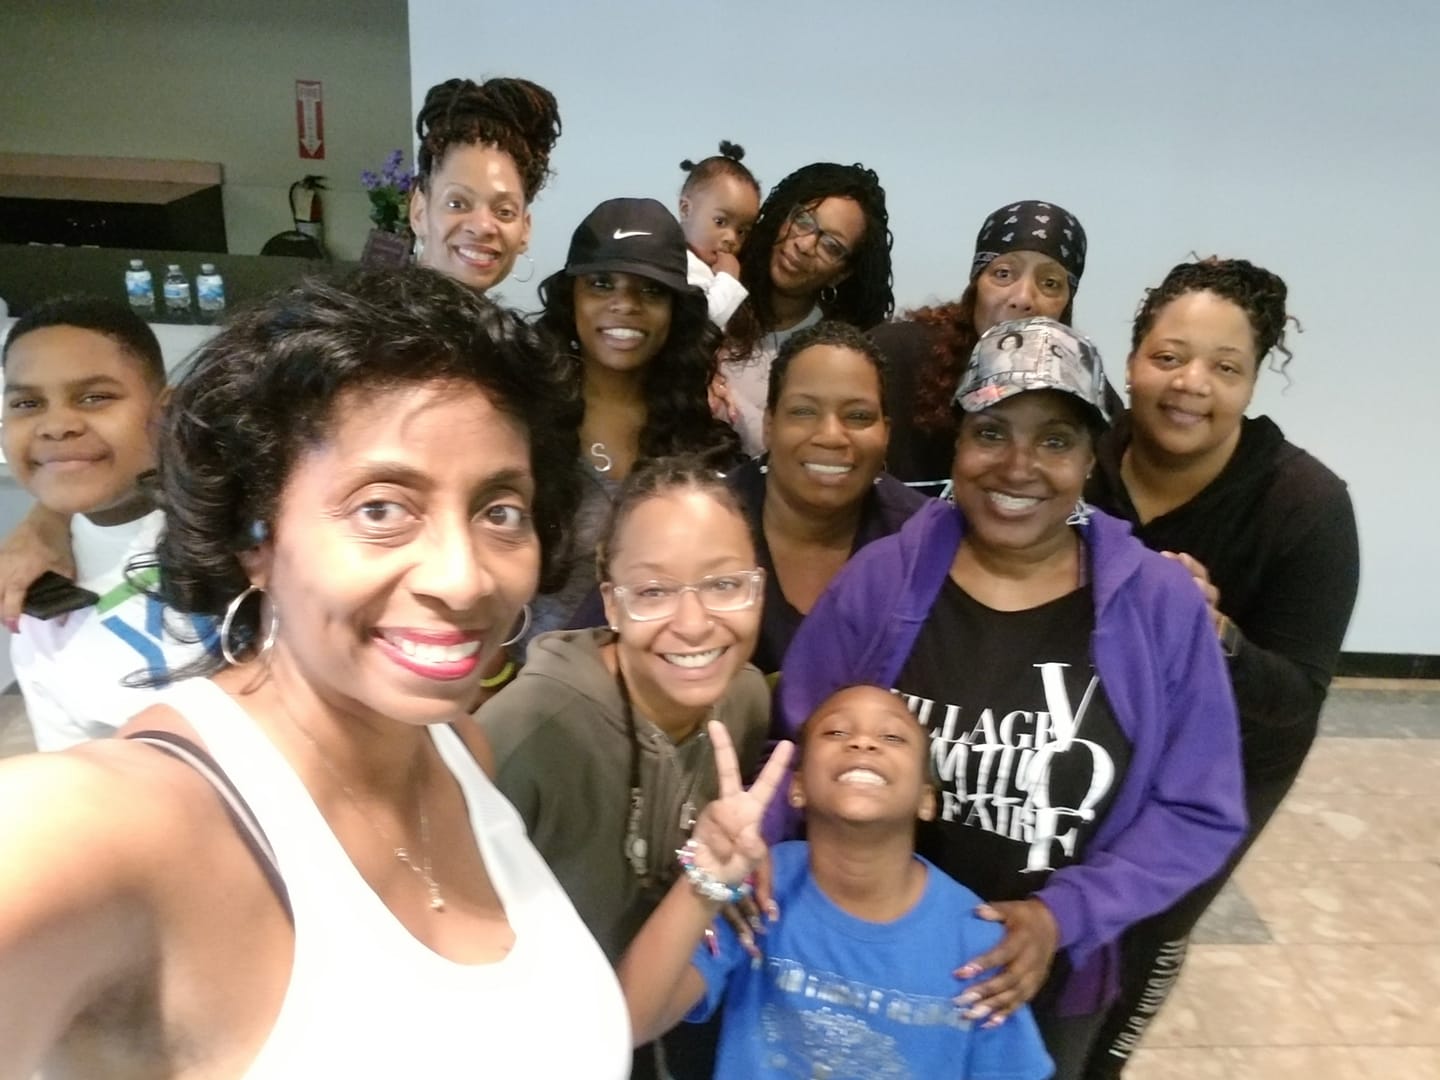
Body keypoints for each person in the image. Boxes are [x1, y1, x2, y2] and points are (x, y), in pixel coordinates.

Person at [0, 268, 635, 1077]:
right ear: (256, 536)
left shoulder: (454, 751)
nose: (465, 577)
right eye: (381, 508)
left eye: (498, 511)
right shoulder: (124, 828)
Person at [776, 317, 1247, 1079]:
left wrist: (1064, 917)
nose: (1019, 466)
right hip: (865, 960)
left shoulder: (1158, 605)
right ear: (957, 446)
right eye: (992, 432)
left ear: (1091, 458)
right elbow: (794, 751)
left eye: (1056, 440)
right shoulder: (881, 579)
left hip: (1049, 982)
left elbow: (1199, 808)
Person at [1080, 258, 1360, 1077]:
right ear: (1130, 361)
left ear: (1253, 381)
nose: (1190, 383)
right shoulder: (1081, 462)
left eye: (1224, 367)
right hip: (1090, 734)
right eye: (1168, 357)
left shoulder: (1304, 506)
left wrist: (1216, 637)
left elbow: (1297, 699)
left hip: (1224, 766)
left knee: (1142, 938)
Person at [478, 454, 770, 1077]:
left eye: (723, 585)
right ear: (611, 604)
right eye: (654, 592)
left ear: (758, 590)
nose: (693, 625)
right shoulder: (528, 733)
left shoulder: (743, 700)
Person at [620, 684, 1054, 1080]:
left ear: (927, 800)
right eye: (835, 733)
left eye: (892, 737)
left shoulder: (977, 941)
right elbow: (630, 1023)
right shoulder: (758, 892)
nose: (862, 742)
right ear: (797, 788)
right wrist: (707, 876)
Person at [517, 197, 740, 654]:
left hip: (660, 693)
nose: (625, 305)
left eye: (651, 291)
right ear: (572, 298)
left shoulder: (700, 430)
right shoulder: (522, 417)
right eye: (601, 284)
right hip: (528, 699)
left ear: (676, 311)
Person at [1, 297, 213, 750]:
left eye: (95, 397)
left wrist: (47, 516)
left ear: (165, 411)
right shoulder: (39, 602)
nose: (56, 425)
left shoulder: (240, 519)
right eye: (26, 402)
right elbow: (77, 773)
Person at [731, 319, 927, 675]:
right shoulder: (700, 521)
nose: (831, 436)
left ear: (886, 433)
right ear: (769, 425)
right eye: (804, 411)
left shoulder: (924, 542)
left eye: (858, 416)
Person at [872, 199, 1095, 496]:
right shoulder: (893, 355)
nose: (1022, 297)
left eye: (1050, 283)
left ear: (1066, 304)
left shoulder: (1082, 390)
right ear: (976, 285)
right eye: (1003, 274)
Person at [717, 161, 895, 456]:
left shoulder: (834, 355)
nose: (805, 245)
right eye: (803, 221)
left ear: (842, 274)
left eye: (832, 246)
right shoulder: (715, 292)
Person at [407, 75, 562, 294]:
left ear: (525, 230)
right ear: (419, 212)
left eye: (504, 212)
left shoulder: (502, 328)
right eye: (457, 204)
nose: (482, 227)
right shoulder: (364, 326)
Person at [678, 140, 761, 330]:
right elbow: (701, 324)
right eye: (720, 222)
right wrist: (729, 279)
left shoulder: (700, 266)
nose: (731, 238)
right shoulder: (678, 264)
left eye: (742, 231)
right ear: (685, 210)